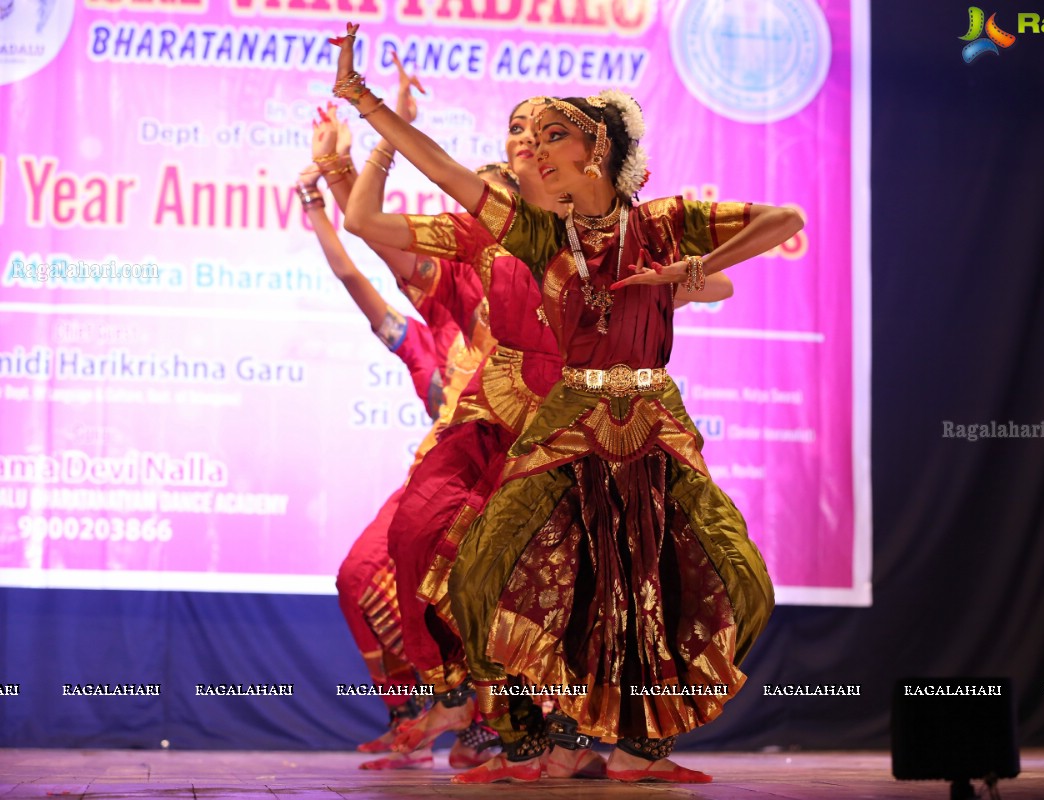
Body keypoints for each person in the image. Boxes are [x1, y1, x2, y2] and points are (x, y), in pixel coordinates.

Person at [330, 22, 798, 784]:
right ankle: (514, 730)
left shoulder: (652, 223)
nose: (533, 145)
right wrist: (376, 115)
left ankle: (621, 742)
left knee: (668, 584)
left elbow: (757, 246)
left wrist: (683, 271)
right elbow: (416, 195)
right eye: (523, 133)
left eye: (551, 133)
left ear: (597, 152)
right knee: (479, 567)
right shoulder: (523, 233)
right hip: (543, 425)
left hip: (638, 427)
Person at [302, 99, 496, 771]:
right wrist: (332, 177)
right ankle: (419, 707)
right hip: (446, 470)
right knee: (364, 572)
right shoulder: (435, 320)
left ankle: (500, 721)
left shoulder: (539, 294)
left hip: (518, 466)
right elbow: (370, 256)